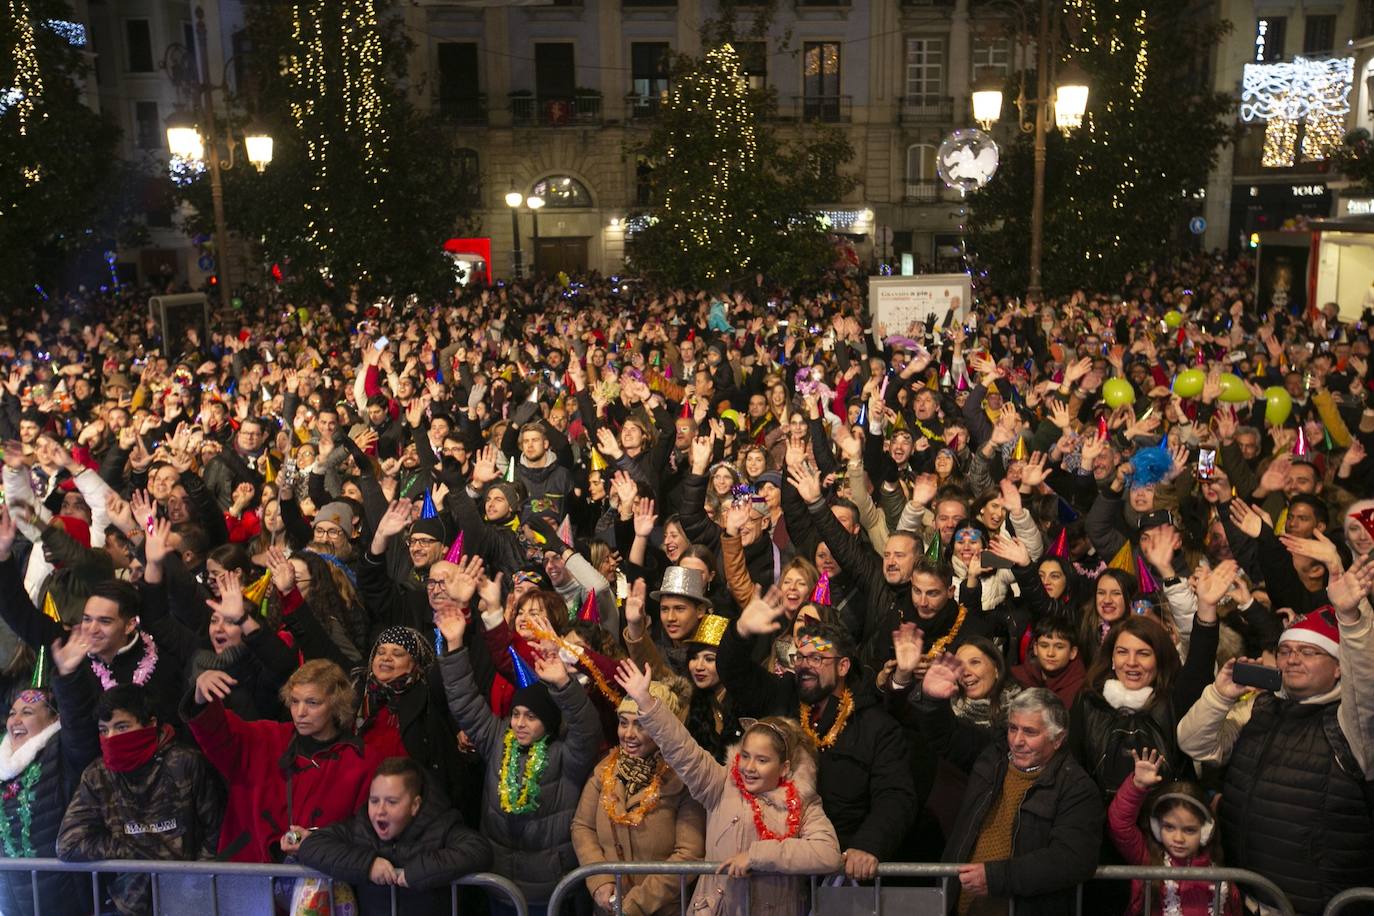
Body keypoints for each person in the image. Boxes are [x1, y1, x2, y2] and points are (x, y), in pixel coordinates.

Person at [1177, 558, 1374, 915]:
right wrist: (1220, 696)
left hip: (1318, 906)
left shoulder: (1352, 725)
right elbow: (1195, 745)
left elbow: (1367, 689)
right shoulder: (1261, 707)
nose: (1292, 659)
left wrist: (1352, 621)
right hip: (1248, 899)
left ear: (1338, 668)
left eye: (1309, 652)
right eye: (1285, 651)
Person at [615, 656, 844, 916]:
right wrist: (647, 703)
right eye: (745, 756)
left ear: (784, 767)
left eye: (762, 760)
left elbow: (828, 853)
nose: (749, 767)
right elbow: (682, 749)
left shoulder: (802, 802)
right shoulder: (720, 784)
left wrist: (758, 856)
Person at [720, 599, 917, 881]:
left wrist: (868, 844)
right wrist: (740, 632)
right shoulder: (782, 695)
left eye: (817, 658)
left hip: (839, 874)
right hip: (774, 867)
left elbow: (896, 797)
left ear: (843, 666)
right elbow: (734, 673)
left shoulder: (876, 726)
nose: (804, 666)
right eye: (800, 657)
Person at [436, 605, 602, 915]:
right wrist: (455, 645)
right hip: (501, 883)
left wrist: (564, 684)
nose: (520, 723)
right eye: (516, 714)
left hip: (551, 890)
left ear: (549, 723)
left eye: (531, 716)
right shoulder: (498, 738)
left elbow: (587, 728)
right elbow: (464, 700)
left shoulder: (568, 754)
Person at [184, 658, 406, 862]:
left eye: (312, 702)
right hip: (252, 879)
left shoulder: (364, 761)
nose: (300, 712)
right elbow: (217, 735)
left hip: (325, 883)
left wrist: (318, 840)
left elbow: (369, 829)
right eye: (294, 701)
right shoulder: (265, 738)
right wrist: (202, 698)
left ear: (335, 704)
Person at [57, 684, 224, 915]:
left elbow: (217, 830)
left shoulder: (185, 763)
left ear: (150, 724)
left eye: (122, 727)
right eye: (104, 730)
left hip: (189, 901)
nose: (111, 737)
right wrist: (138, 853)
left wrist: (196, 881)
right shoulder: (97, 774)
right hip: (128, 904)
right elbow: (69, 844)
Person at [942, 688, 1104, 916]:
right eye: (1012, 728)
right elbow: (944, 736)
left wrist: (997, 877)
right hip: (962, 907)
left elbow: (1072, 859)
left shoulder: (1076, 788)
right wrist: (930, 699)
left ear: (1057, 739)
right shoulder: (992, 759)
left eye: (1029, 732)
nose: (1017, 741)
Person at [571, 680, 706, 916]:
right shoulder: (603, 772)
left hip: (661, 910)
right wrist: (600, 882)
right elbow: (582, 827)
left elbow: (689, 854)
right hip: (608, 907)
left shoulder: (683, 782)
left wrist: (637, 903)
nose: (629, 734)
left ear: (663, 729)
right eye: (624, 724)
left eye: (641, 725)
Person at [296, 756, 495, 916]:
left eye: (391, 802)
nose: (380, 811)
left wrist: (416, 872)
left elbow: (478, 849)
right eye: (374, 801)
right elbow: (312, 845)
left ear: (415, 805)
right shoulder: (361, 826)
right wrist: (368, 865)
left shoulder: (441, 825)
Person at [0, 632, 99, 916]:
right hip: (12, 895)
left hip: (65, 895)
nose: (16, 720)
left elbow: (79, 724)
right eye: (13, 712)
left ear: (54, 719)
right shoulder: (2, 761)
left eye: (28, 712)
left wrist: (67, 677)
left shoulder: (63, 751)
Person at [1107, 749, 1241, 916]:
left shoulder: (1221, 876)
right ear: (1156, 827)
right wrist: (1137, 786)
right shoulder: (1148, 858)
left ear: (1206, 831)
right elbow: (1120, 825)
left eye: (1189, 830)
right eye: (1169, 827)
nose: (1178, 838)